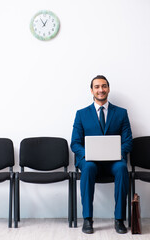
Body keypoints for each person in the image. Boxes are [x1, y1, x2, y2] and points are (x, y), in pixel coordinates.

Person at [70, 75, 132, 234]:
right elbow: (75, 143)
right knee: (89, 167)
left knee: (122, 168)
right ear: (91, 90)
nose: (101, 90)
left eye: (104, 86)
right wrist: (88, 153)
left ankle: (119, 219)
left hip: (113, 161)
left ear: (108, 89)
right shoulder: (81, 114)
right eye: (97, 87)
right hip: (90, 161)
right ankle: (87, 219)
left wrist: (118, 153)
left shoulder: (121, 113)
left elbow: (128, 141)